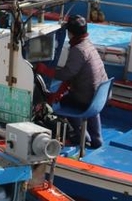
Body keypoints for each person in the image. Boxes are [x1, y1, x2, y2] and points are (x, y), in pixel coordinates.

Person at [34, 15, 108, 149]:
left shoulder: (78, 50)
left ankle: (81, 136)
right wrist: (60, 92)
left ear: (70, 33)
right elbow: (73, 75)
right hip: (100, 97)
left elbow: (66, 74)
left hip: (87, 99)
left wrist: (45, 70)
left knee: (65, 102)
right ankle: (97, 138)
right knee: (82, 105)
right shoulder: (89, 45)